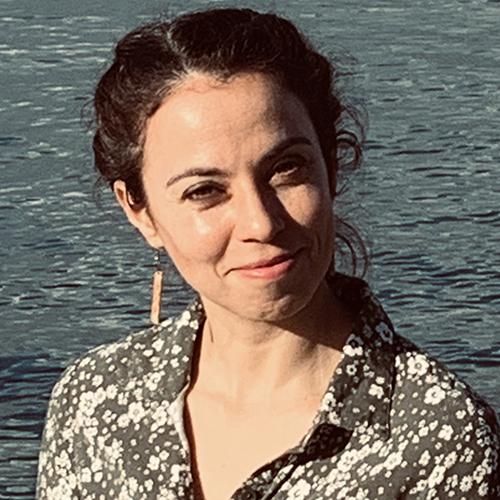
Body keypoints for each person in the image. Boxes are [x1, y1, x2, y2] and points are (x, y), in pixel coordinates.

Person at [36, 7, 499, 500]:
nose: (261, 222)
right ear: (140, 211)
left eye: (287, 169)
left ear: (331, 169)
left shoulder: (436, 437)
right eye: (204, 191)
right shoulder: (93, 403)